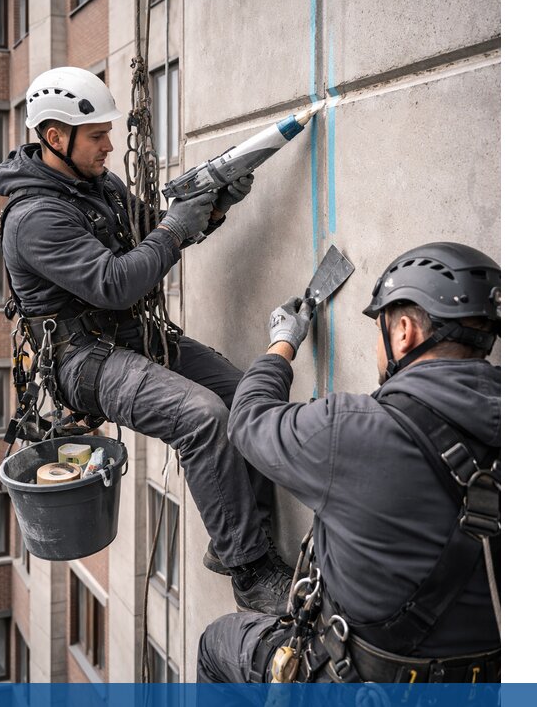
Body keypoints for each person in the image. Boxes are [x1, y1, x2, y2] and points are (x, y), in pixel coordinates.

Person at [0, 66, 293, 613]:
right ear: (55, 137)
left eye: (109, 133)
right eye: (97, 136)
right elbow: (115, 282)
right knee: (201, 416)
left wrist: (214, 207)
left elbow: (151, 231)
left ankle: (240, 536)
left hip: (130, 335)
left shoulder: (97, 186)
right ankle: (250, 572)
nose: (110, 145)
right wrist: (175, 227)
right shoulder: (34, 218)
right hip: (82, 359)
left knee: (244, 393)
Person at [197, 241, 501, 683]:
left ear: (403, 332)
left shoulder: (354, 429)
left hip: (355, 681)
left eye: (379, 330)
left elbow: (247, 420)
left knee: (218, 643)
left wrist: (282, 342)